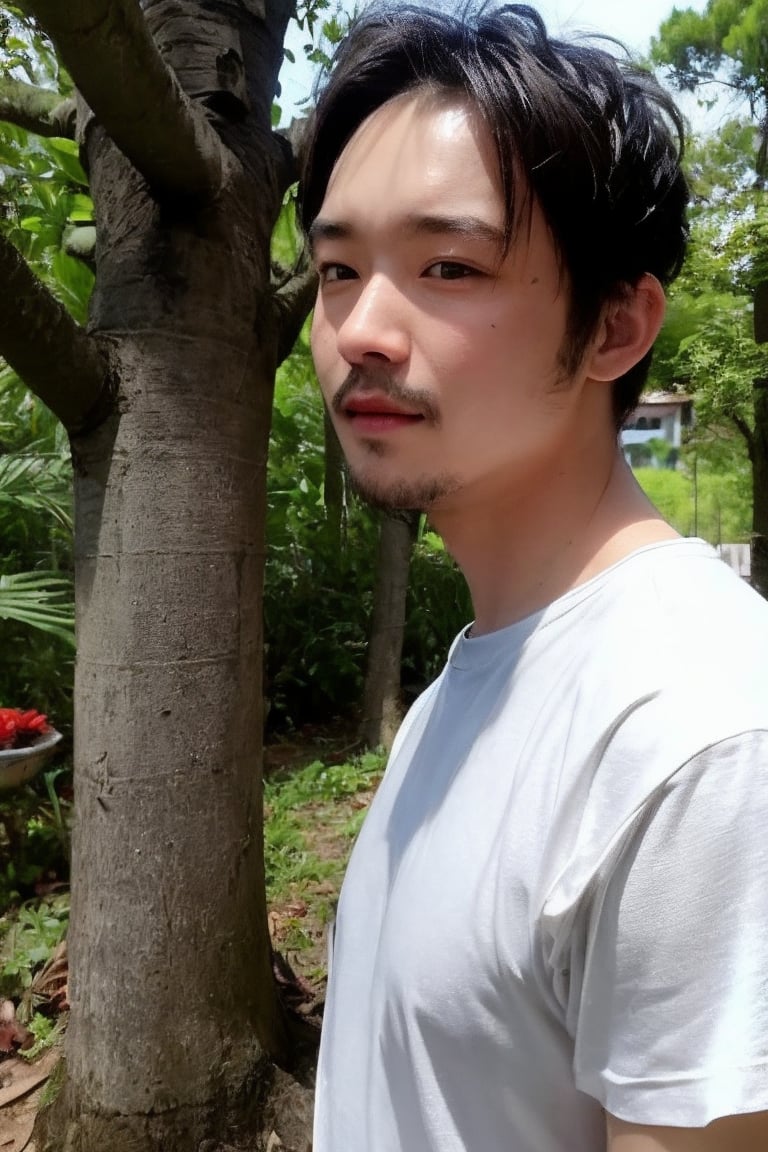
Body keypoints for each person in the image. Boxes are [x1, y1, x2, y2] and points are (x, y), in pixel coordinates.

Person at [299, 4, 768, 1150]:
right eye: (337, 269)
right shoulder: (484, 667)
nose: (362, 326)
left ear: (616, 326)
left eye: (447, 266)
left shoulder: (699, 741)